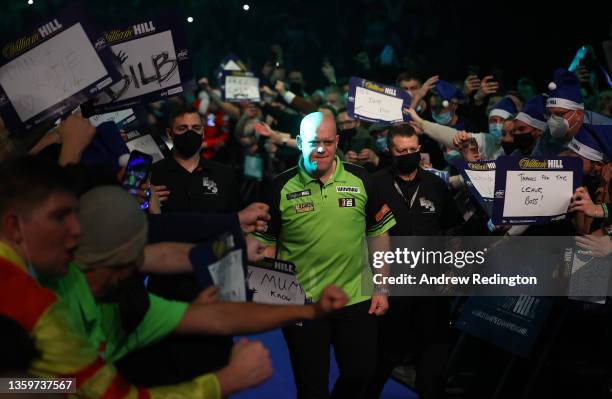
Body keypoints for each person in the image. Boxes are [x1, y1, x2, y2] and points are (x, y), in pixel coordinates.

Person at [41, 185, 349, 390]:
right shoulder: (46, 306)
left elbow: (220, 317)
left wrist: (310, 310)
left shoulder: (123, 303)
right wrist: (225, 381)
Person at [0, 156, 225, 397]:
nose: (75, 229)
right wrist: (225, 381)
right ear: (15, 226)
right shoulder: (36, 306)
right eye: (60, 216)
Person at [253, 112, 397, 398]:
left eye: (328, 143)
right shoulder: (278, 187)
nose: (321, 150)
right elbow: (266, 245)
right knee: (312, 388)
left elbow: (378, 233)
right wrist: (272, 299)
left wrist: (381, 286)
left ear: (338, 142)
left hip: (356, 297)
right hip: (301, 303)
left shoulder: (361, 179)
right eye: (313, 142)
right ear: (298, 142)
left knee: (361, 373)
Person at [368, 123, 463, 399]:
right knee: (381, 358)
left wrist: (452, 269)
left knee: (432, 363)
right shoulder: (375, 184)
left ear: (420, 149)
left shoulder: (436, 184)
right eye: (401, 151)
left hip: (431, 287)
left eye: (412, 150)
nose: (408, 154)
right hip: (389, 285)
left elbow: (452, 230)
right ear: (389, 151)